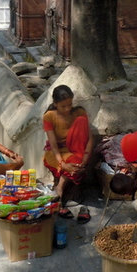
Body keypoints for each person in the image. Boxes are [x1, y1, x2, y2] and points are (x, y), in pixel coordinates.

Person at [43, 85, 93, 220]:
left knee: (77, 164)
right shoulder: (49, 117)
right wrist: (62, 164)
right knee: (73, 165)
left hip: (76, 150)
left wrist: (85, 158)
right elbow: (53, 145)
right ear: (55, 104)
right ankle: (60, 188)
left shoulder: (79, 112)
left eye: (69, 105)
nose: (67, 109)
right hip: (56, 152)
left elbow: (89, 138)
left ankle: (60, 187)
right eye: (63, 106)